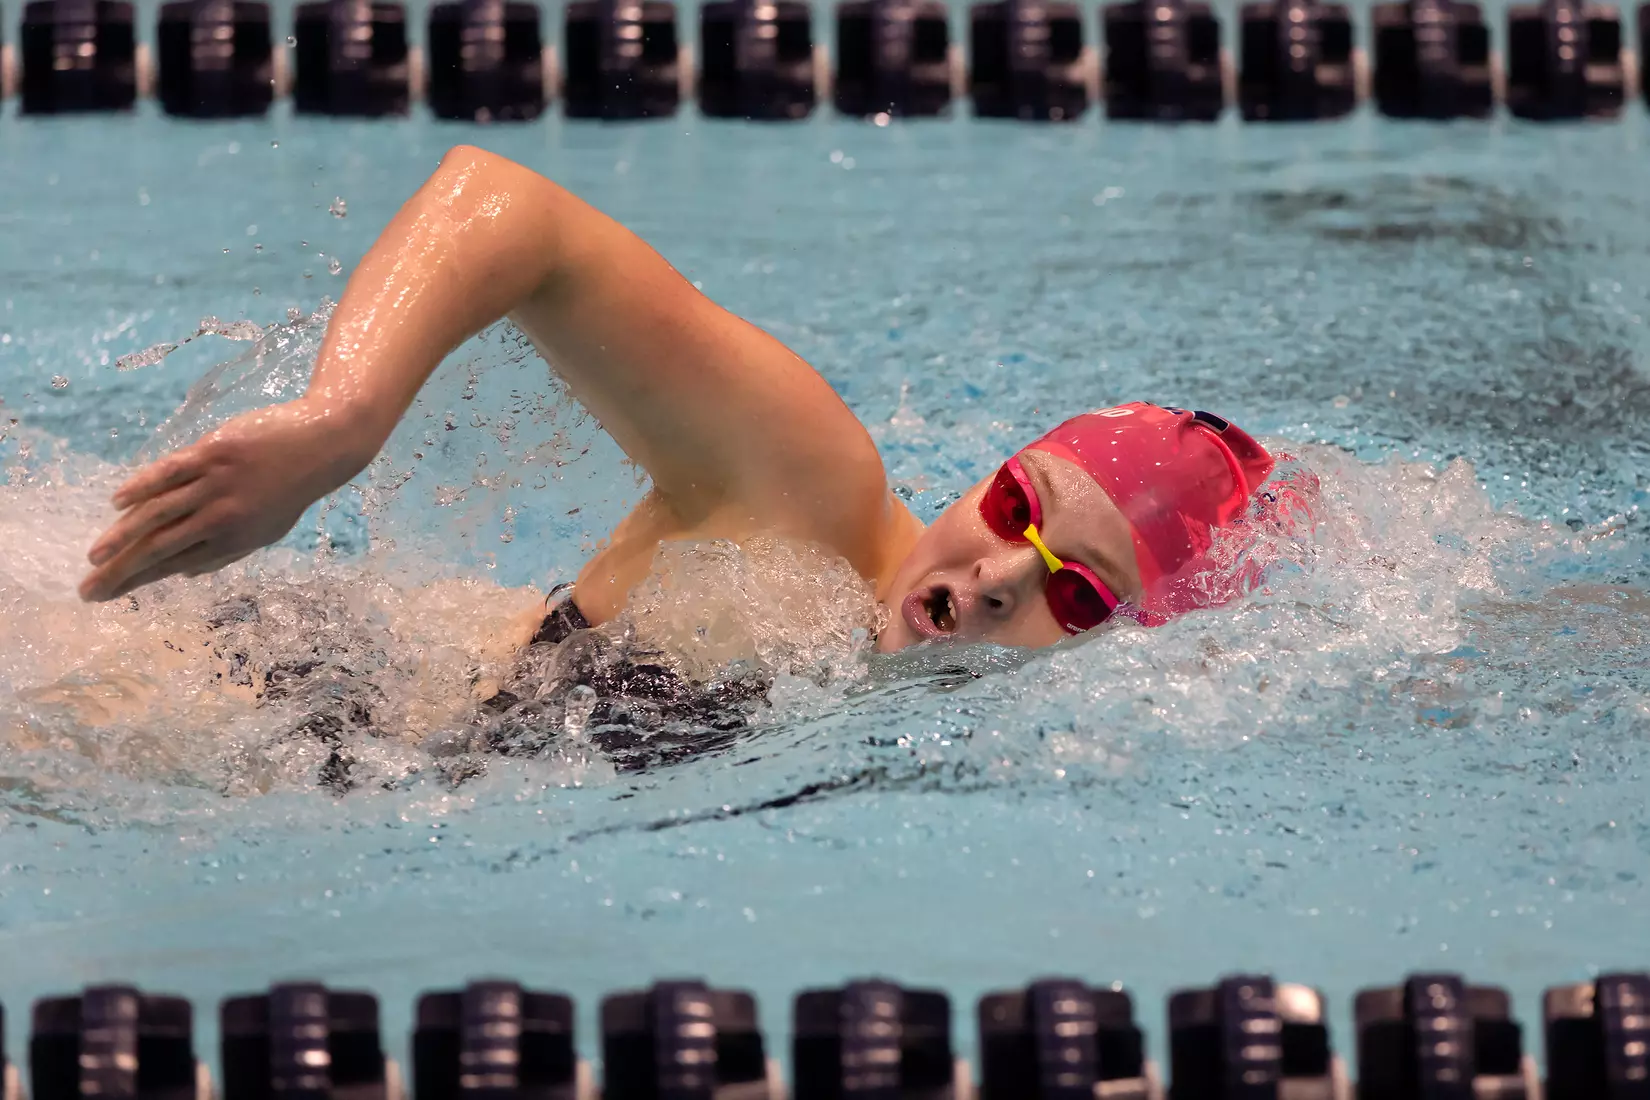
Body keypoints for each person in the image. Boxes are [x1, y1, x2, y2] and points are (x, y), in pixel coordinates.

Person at [78, 145, 1276, 656]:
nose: (1002, 575)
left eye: (1073, 594)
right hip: (214, 670)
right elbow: (510, 206)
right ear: (989, 466)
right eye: (1021, 503)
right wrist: (341, 423)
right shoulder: (810, 492)